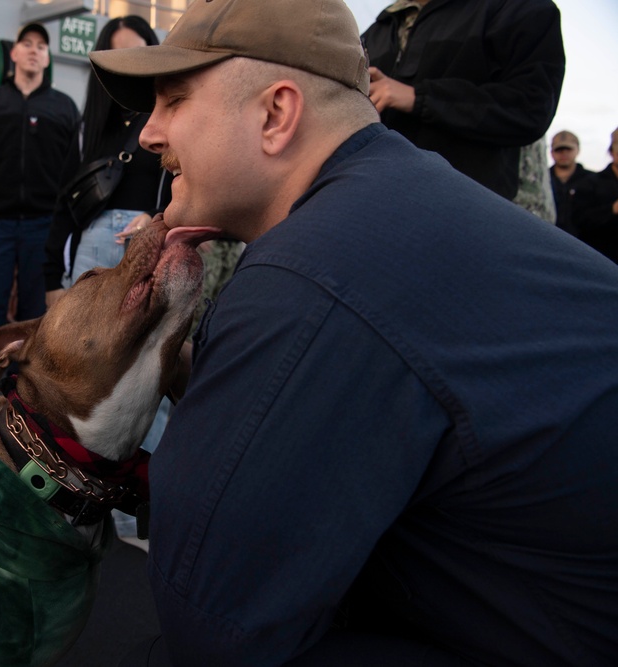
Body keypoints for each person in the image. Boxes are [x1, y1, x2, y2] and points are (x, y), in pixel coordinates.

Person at [89, 0, 618, 664]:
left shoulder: (313, 269)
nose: (148, 134)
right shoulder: (396, 202)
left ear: (276, 115)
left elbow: (213, 622)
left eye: (174, 100)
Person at [0, 23, 79, 379]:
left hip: (43, 225)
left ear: (47, 57)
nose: (34, 50)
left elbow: (72, 173)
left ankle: (25, 403)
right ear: (12, 54)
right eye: (26, 43)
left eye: (41, 45)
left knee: (37, 320)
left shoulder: (64, 108)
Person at [360, 0, 565, 201]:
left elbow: (531, 107)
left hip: (463, 207)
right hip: (373, 196)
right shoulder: (377, 29)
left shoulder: (517, 9)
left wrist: (419, 98)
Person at [43, 15, 171, 306]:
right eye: (118, 54)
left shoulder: (164, 124)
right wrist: (51, 278)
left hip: (148, 248)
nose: (129, 62)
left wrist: (157, 215)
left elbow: (186, 185)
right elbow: (66, 201)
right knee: (78, 348)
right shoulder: (89, 127)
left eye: (140, 52)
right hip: (90, 251)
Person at [571, 127, 618, 264]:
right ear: (612, 151)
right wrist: (612, 210)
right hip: (604, 262)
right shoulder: (589, 184)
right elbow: (579, 221)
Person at [549, 129, 594, 235]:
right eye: (559, 150)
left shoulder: (593, 181)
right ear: (551, 152)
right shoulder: (541, 181)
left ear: (577, 150)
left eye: (568, 149)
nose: (564, 154)